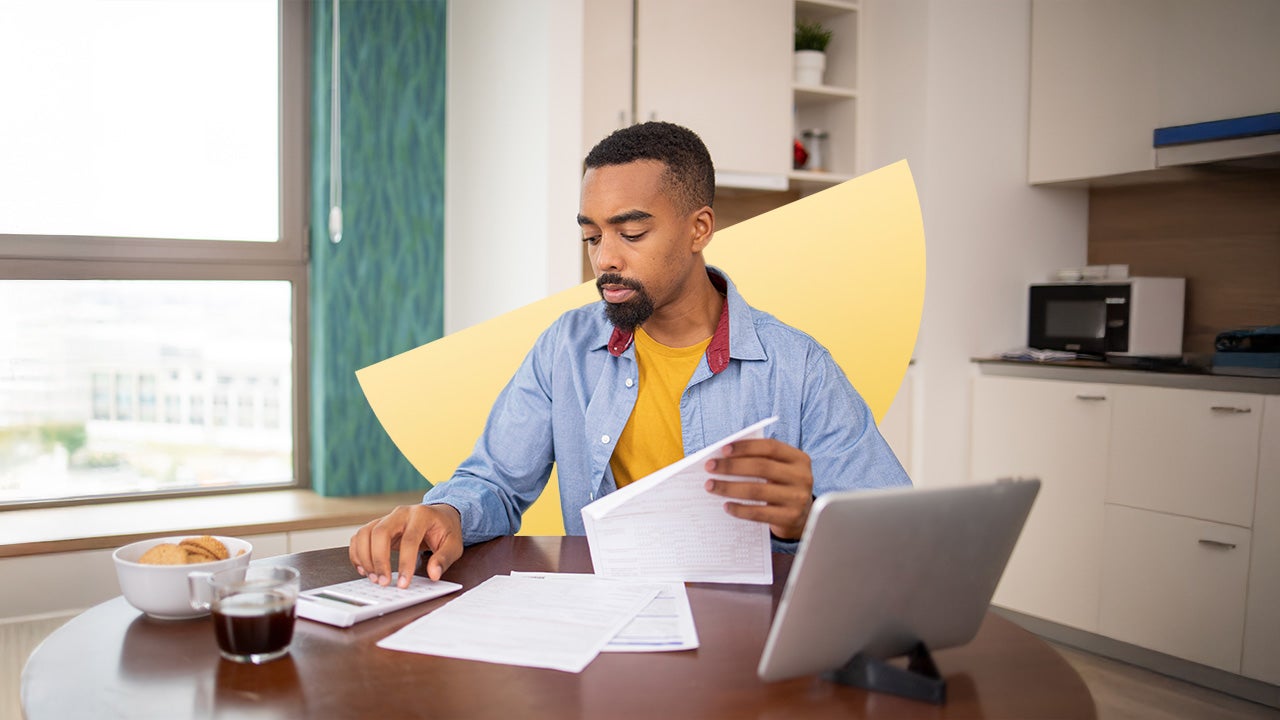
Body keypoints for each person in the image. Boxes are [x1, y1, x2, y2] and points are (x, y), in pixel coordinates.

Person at [349, 121, 910, 587]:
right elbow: (495, 483)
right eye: (592, 237)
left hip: (745, 647)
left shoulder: (799, 367)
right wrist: (445, 513)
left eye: (632, 233)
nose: (605, 259)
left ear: (699, 228)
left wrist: (806, 520)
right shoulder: (565, 349)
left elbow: (894, 535)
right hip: (606, 626)